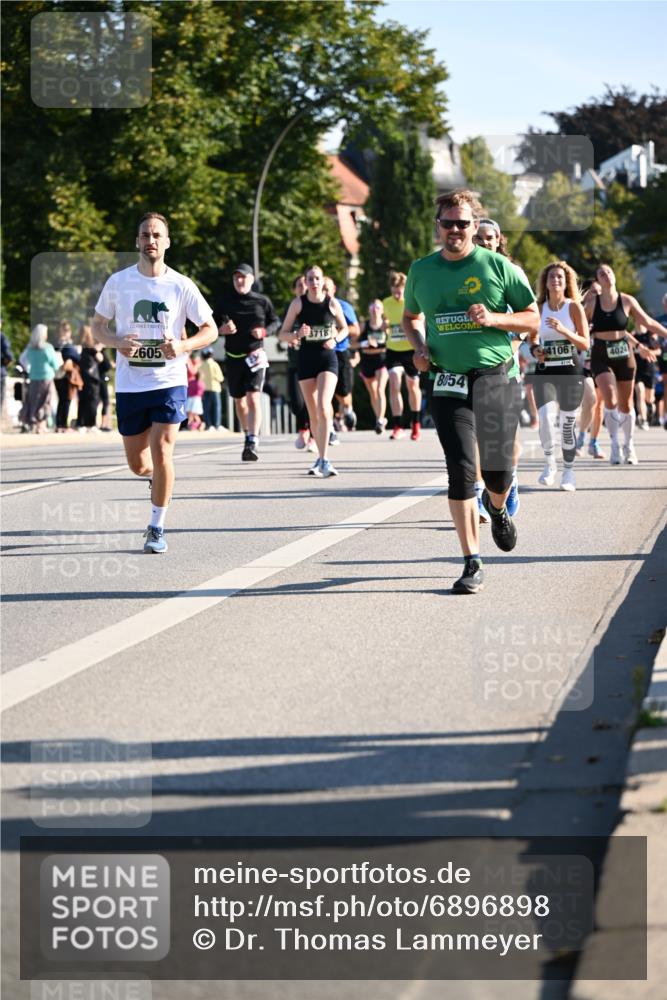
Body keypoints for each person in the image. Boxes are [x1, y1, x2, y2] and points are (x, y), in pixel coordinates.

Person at [402, 189, 539, 594]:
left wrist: (494, 317)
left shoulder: (498, 266)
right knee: (461, 470)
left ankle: (498, 509)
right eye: (449, 223)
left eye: (463, 223)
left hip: (494, 375)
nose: (456, 230)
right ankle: (471, 560)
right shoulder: (421, 271)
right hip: (447, 380)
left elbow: (532, 320)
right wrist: (420, 347)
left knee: (497, 471)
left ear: (475, 227)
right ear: (438, 227)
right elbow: (411, 317)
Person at [92, 211, 217, 553]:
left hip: (169, 380)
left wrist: (183, 345)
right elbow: (97, 327)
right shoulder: (119, 282)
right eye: (145, 235)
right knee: (139, 464)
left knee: (163, 451)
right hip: (131, 384)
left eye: (157, 235)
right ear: (137, 241)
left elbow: (211, 329)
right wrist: (117, 342)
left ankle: (156, 526)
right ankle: (155, 479)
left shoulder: (181, 284)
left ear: (167, 242)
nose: (151, 241)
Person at [472, 218, 528, 519]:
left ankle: (512, 479)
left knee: (507, 436)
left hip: (507, 363)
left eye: (489, 238)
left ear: (498, 239)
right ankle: (482, 493)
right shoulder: (466, 272)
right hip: (476, 365)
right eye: (478, 238)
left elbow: (526, 319)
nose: (484, 243)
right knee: (481, 434)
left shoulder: (511, 271)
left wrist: (509, 351)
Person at [584, 264, 663, 465]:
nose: (606, 275)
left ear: (614, 276)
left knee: (626, 404)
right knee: (610, 399)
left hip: (624, 355)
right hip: (601, 355)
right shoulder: (592, 303)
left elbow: (648, 322)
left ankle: (629, 445)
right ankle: (614, 445)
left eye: (608, 271)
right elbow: (580, 325)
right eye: (601, 273)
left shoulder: (627, 300)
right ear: (598, 281)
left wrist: (643, 344)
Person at [279, 264, 348, 478]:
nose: (314, 282)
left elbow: (345, 328)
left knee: (323, 405)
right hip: (306, 360)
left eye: (317, 278)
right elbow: (282, 334)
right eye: (310, 279)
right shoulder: (298, 304)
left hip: (328, 359)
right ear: (305, 282)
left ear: (322, 280)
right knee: (313, 412)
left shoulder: (332, 303)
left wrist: (335, 339)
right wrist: (297, 334)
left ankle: (326, 459)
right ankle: (319, 458)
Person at [530, 262, 590, 492]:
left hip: (570, 370)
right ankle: (549, 463)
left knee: (567, 423)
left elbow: (585, 343)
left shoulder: (573, 307)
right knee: (545, 417)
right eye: (552, 277)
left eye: (560, 278)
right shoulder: (538, 307)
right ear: (545, 282)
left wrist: (564, 331)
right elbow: (532, 339)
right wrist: (536, 350)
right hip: (546, 370)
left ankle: (568, 471)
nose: (556, 280)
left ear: (566, 283)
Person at [214, 263, 280, 462]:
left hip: (255, 356)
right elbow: (209, 325)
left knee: (253, 398)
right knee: (240, 402)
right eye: (236, 278)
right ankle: (247, 433)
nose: (240, 281)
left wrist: (265, 332)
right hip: (233, 358)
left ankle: (252, 440)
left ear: (252, 279)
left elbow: (275, 321)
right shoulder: (225, 302)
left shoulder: (262, 301)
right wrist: (220, 330)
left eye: (243, 277)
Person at [382, 271, 422, 440]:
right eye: (394, 291)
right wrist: (383, 325)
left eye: (400, 291)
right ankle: (397, 426)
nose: (397, 294)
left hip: (411, 349)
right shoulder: (386, 303)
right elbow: (382, 323)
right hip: (393, 349)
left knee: (412, 386)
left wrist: (421, 344)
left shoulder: (412, 302)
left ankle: (415, 424)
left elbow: (420, 321)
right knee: (394, 382)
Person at [322, 276, 360, 443]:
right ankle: (330, 429)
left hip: (340, 351)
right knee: (325, 395)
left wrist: (336, 330)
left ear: (334, 289)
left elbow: (355, 330)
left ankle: (348, 408)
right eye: (322, 289)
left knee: (343, 393)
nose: (324, 292)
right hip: (321, 353)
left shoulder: (343, 306)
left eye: (327, 289)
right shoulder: (313, 307)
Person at [284, 275, 315, 451]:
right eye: (298, 285)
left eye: (305, 284)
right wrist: (291, 337)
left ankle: (310, 433)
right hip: (295, 361)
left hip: (311, 359)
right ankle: (303, 427)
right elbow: (283, 331)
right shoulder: (292, 308)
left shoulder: (313, 307)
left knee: (311, 400)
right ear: (294, 289)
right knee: (297, 402)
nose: (302, 287)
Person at [356, 299, 389, 433]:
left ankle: (380, 421)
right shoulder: (364, 325)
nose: (375, 310)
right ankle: (380, 418)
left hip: (382, 361)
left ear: (382, 310)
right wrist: (364, 343)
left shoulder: (386, 325)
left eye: (378, 307)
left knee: (380, 389)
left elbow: (394, 343)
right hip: (367, 361)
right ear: (369, 310)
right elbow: (352, 343)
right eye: (372, 307)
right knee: (373, 393)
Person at [20, 323, 59, 433]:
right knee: (46, 400)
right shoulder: (47, 348)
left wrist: (29, 369)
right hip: (46, 377)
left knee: (34, 401)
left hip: (34, 377)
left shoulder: (30, 348)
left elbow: (22, 360)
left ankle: (35, 423)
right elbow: (55, 364)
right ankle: (42, 424)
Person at [76, 323, 103, 431]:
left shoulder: (78, 346)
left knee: (82, 400)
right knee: (93, 400)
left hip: (81, 377)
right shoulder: (91, 348)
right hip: (92, 378)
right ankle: (90, 424)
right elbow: (100, 359)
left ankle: (80, 423)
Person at [200, 348, 224, 429]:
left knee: (206, 408)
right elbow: (220, 378)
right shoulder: (214, 364)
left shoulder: (201, 364)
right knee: (216, 408)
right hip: (215, 388)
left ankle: (208, 425)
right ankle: (217, 425)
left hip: (204, 389)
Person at [186, 353, 205, 430]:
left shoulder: (196, 382)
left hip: (192, 396)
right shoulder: (189, 361)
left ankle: (190, 425)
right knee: (192, 413)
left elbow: (192, 372)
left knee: (191, 413)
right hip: (192, 395)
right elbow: (193, 371)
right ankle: (198, 424)